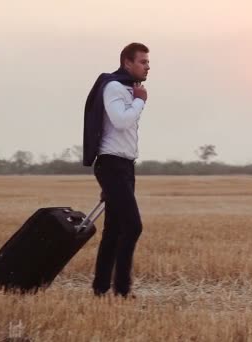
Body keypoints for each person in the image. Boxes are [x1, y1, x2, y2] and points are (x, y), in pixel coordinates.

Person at [82, 42, 150, 298]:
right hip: (111, 165)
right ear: (127, 63)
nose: (147, 67)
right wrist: (140, 102)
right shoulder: (113, 87)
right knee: (133, 226)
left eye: (148, 62)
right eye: (142, 62)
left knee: (114, 229)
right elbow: (121, 121)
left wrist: (136, 98)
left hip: (125, 166)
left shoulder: (128, 89)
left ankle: (100, 288)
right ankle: (122, 289)